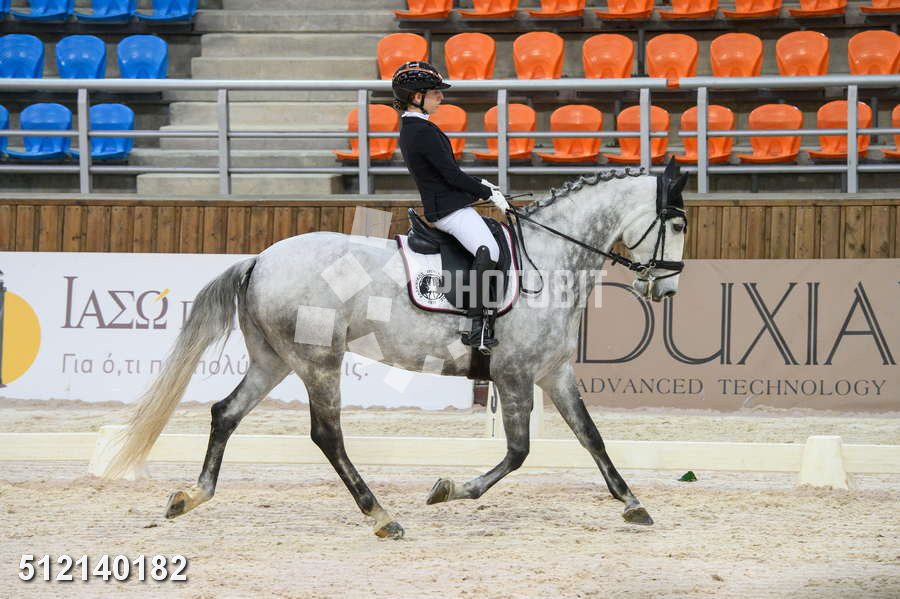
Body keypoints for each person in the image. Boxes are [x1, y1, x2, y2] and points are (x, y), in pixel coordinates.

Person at [392, 61, 510, 353]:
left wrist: (481, 184)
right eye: (435, 93)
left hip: (449, 205)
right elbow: (451, 176)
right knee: (489, 251)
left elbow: (447, 173)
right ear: (416, 96)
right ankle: (476, 328)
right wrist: (486, 191)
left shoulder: (416, 127)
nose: (441, 97)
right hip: (448, 211)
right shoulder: (421, 131)